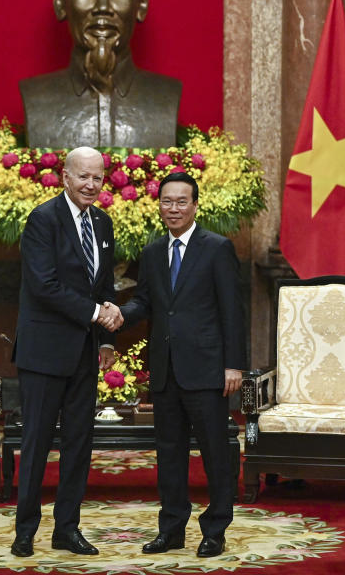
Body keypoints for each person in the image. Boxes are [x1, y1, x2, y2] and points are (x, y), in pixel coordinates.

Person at [117, 171, 245, 558]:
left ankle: (215, 529)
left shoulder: (217, 248)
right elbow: (145, 304)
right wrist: (117, 314)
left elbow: (232, 311)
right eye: (166, 202)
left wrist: (233, 365)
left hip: (208, 370)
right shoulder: (153, 252)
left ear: (194, 205)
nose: (172, 209)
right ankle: (171, 529)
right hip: (166, 369)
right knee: (169, 453)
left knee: (215, 455)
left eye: (180, 202)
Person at [10, 146, 124, 558]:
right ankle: (25, 531)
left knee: (79, 443)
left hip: (84, 352)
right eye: (83, 177)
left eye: (98, 178)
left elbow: (105, 285)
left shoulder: (104, 223)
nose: (91, 185)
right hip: (43, 353)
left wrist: (108, 335)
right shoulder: (43, 220)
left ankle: (67, 530)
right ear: (65, 176)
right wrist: (97, 313)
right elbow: (43, 285)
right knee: (37, 442)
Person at [20, 0, 181, 149]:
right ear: (60, 2)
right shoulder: (37, 98)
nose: (103, 6)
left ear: (141, 3)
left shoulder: (165, 96)